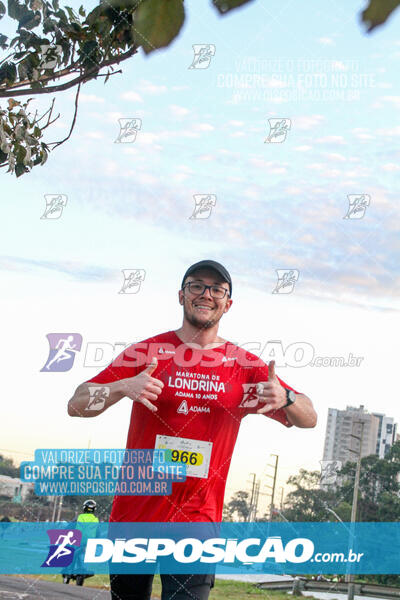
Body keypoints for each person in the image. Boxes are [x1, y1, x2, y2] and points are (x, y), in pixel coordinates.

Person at [68, 259, 317, 600]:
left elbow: (309, 417)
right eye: (197, 285)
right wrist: (123, 386)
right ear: (181, 295)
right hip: (134, 516)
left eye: (217, 289)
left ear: (228, 303)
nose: (206, 294)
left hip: (197, 522)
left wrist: (286, 396)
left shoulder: (244, 367)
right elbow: (77, 403)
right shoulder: (146, 352)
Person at [62, 499, 99, 586]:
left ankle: (68, 571)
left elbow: (69, 527)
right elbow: (98, 533)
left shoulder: (79, 517)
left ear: (84, 508)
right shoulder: (95, 520)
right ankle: (83, 570)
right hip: (90, 544)